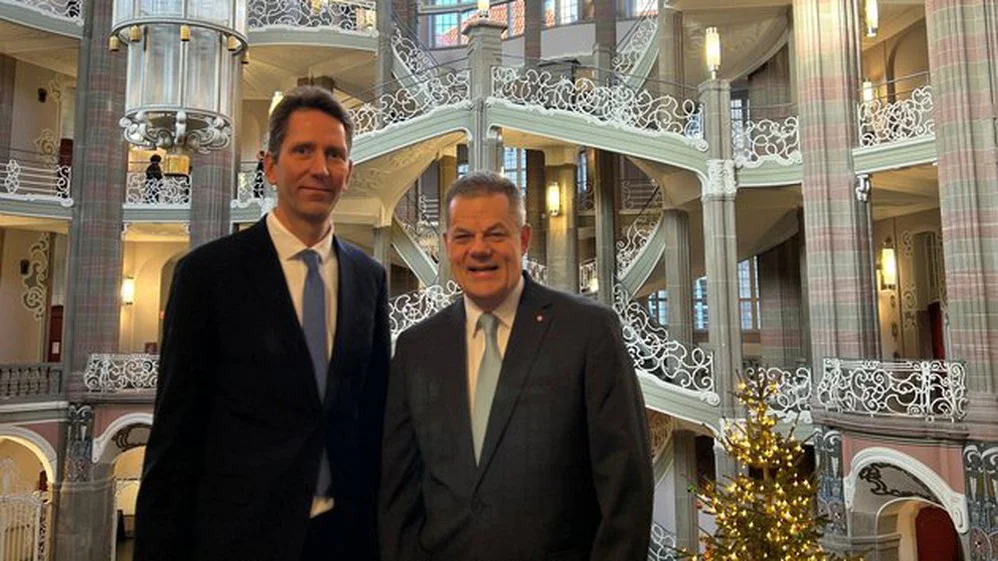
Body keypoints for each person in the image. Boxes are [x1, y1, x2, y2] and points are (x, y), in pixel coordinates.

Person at [134, 86, 390, 561]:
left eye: (334, 154)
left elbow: (373, 416)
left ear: (349, 172)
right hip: (241, 538)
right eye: (303, 151)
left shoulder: (369, 278)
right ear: (270, 165)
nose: (320, 168)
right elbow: (175, 438)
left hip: (344, 539)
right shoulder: (208, 275)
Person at [380, 171, 653, 561]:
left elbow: (626, 485)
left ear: (523, 239)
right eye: (463, 236)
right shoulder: (416, 349)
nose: (479, 249)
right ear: (447, 245)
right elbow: (397, 492)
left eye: (495, 234)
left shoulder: (588, 331)